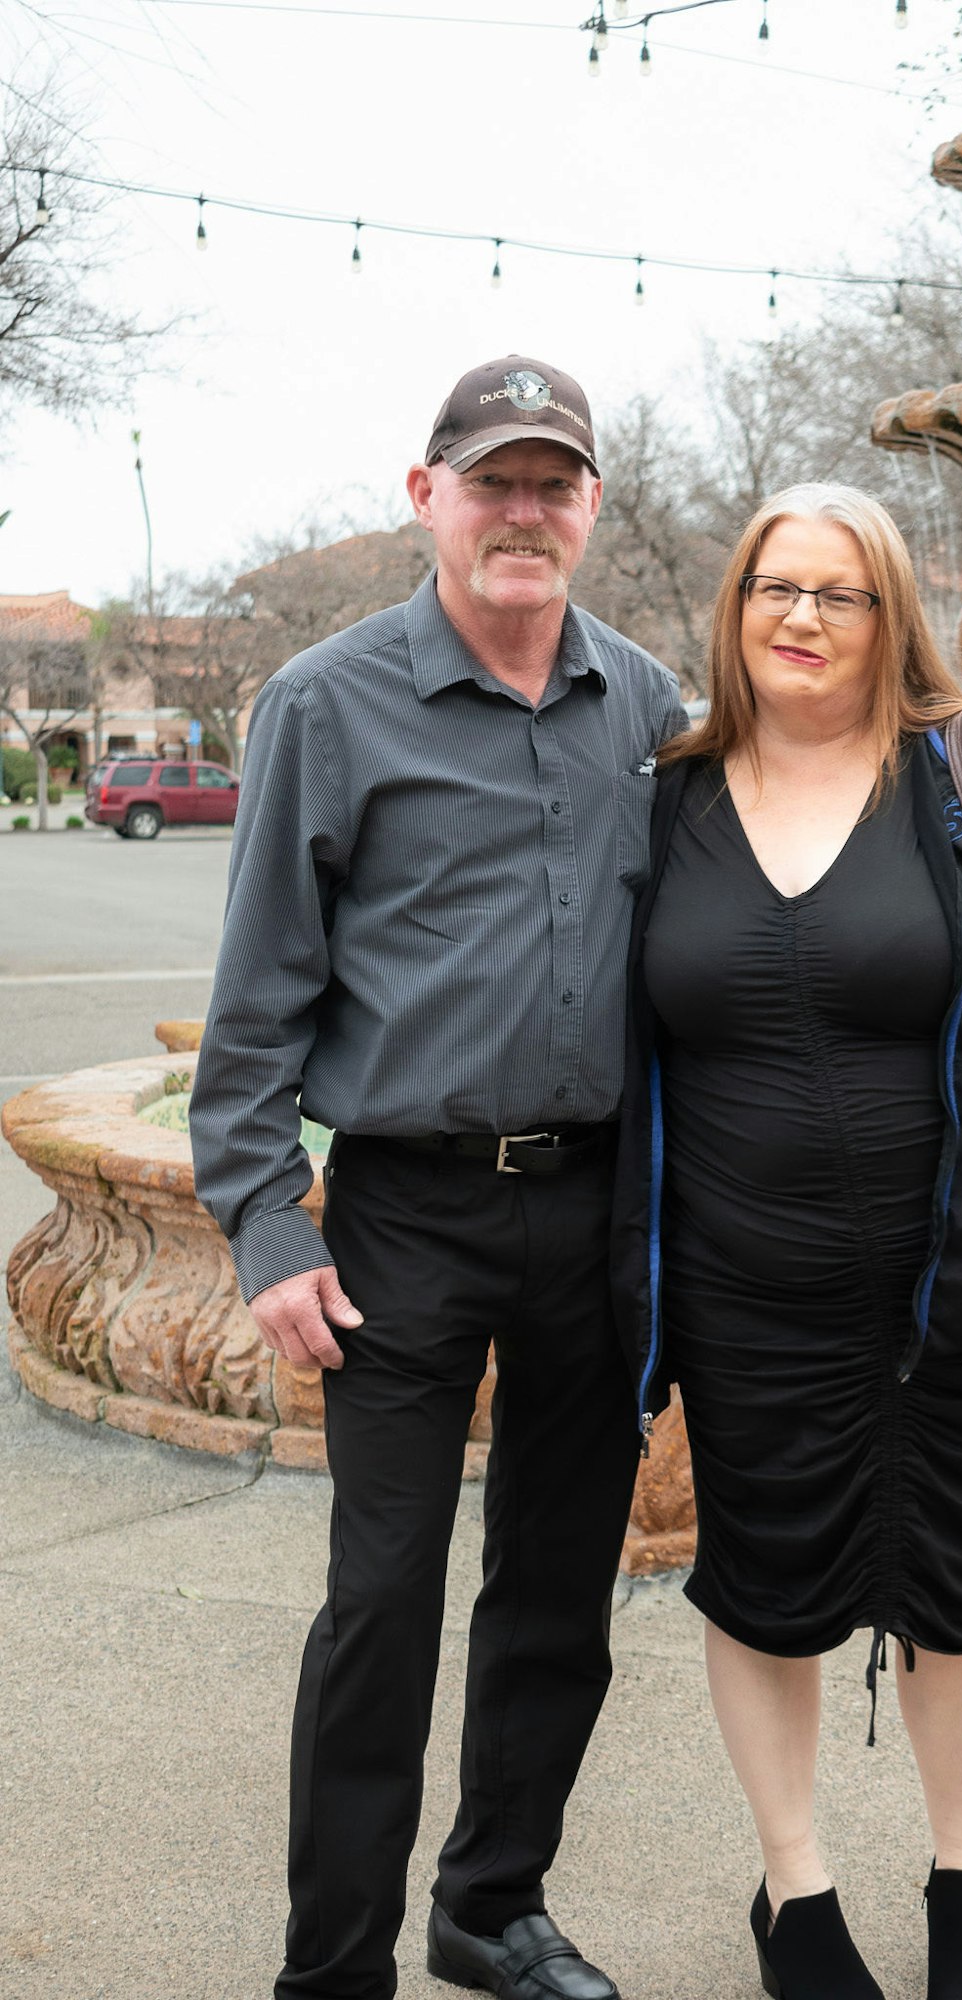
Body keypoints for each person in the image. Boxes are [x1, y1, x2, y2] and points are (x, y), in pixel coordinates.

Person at [611, 484, 962, 2000]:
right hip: (743, 1297)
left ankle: (961, 1879)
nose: (798, 618)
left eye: (837, 593)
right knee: (761, 1583)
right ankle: (793, 1890)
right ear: (733, 613)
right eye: (770, 589)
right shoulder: (667, 797)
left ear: (890, 619)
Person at [190, 356, 687, 2000]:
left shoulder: (652, 710)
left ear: (593, 509)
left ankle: (492, 1905)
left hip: (599, 1213)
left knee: (557, 1590)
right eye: (495, 481)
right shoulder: (328, 706)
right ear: (429, 497)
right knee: (381, 1605)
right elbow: (258, 997)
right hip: (405, 1216)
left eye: (556, 484)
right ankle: (333, 1966)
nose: (524, 511)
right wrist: (268, 1223)